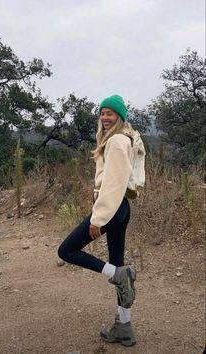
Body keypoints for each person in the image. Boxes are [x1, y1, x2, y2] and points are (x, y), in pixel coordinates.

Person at [58, 94, 138, 347]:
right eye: (102, 112)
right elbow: (133, 175)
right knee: (119, 266)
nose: (104, 117)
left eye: (110, 113)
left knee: (67, 250)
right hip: (122, 207)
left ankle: (117, 273)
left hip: (111, 207)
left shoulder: (115, 141)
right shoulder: (128, 138)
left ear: (120, 116)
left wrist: (99, 216)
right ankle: (124, 327)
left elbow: (113, 183)